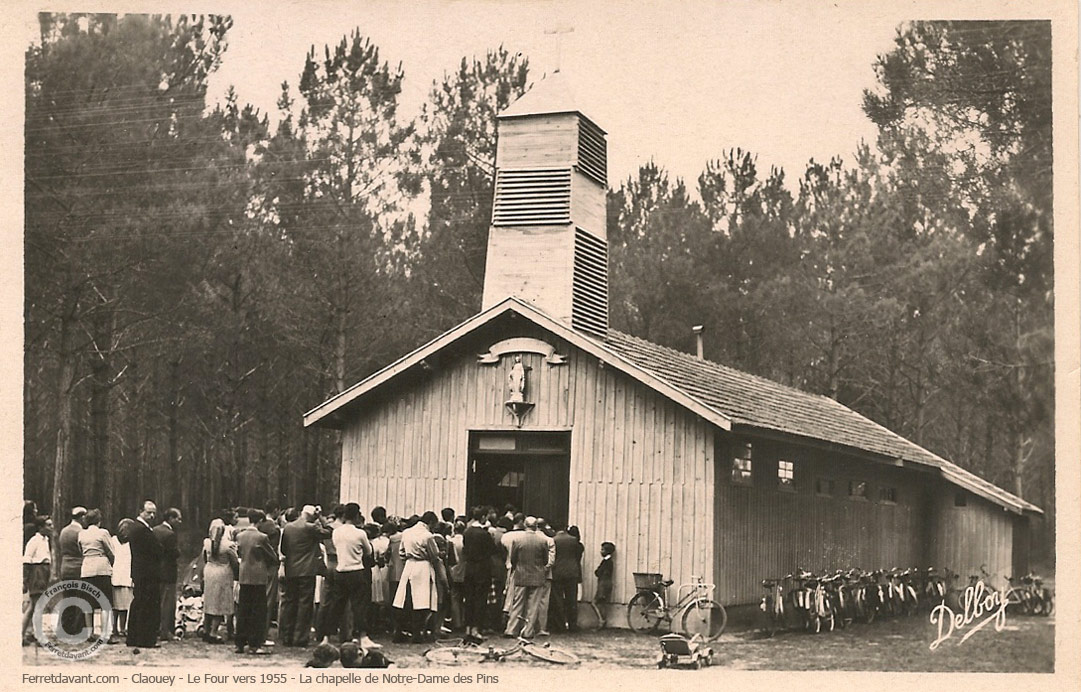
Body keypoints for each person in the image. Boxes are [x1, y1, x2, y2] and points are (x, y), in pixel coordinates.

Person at [317, 502, 378, 649]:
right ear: (357, 515)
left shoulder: (336, 532)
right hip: (356, 571)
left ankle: (326, 637)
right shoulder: (360, 533)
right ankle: (363, 637)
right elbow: (368, 551)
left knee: (335, 606)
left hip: (340, 570)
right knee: (359, 606)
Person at [279, 504, 332, 647]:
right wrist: (321, 517)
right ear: (312, 516)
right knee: (305, 604)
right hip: (307, 570)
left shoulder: (289, 527)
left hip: (291, 570)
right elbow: (329, 532)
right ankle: (300, 637)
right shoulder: (311, 528)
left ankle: (287, 636)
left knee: (290, 602)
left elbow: (284, 549)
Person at [391, 513, 441, 643]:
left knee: (405, 601)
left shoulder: (407, 532)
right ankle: (417, 633)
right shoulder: (428, 536)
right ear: (430, 522)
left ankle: (399, 631)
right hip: (423, 566)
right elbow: (434, 554)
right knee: (421, 602)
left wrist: (408, 559)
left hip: (409, 565)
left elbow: (401, 552)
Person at [235, 508, 277, 655]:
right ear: (260, 521)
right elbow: (272, 556)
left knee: (243, 609)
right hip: (258, 576)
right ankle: (255, 644)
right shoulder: (262, 537)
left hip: (244, 574)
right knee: (258, 611)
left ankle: (240, 642)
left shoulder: (240, 536)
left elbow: (239, 553)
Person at [505, 517, 552, 640]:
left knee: (517, 603)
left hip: (521, 575)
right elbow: (546, 560)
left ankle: (511, 629)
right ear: (536, 527)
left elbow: (513, 559)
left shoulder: (517, 540)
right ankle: (528, 631)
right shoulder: (542, 541)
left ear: (525, 525)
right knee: (533, 605)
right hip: (537, 576)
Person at [127, 500, 163, 647]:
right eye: (149, 512)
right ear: (140, 511)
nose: (152, 515)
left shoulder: (138, 528)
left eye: (154, 512)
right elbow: (156, 550)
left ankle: (134, 637)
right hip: (147, 573)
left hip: (141, 572)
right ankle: (145, 639)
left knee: (139, 603)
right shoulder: (142, 529)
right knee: (147, 606)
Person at [78, 508, 115, 640]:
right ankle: (105, 634)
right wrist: (111, 562)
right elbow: (111, 551)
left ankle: (89, 632)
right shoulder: (103, 533)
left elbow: (80, 550)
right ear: (99, 521)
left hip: (87, 567)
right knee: (105, 602)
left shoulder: (81, 534)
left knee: (88, 601)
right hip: (101, 567)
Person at [461, 507, 495, 643]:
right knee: (480, 599)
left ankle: (468, 628)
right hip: (482, 568)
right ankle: (476, 629)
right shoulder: (484, 534)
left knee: (469, 598)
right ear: (483, 518)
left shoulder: (467, 532)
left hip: (469, 568)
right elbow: (492, 550)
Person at [202, 519, 238, 643]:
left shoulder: (206, 543)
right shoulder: (228, 546)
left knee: (209, 602)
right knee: (220, 603)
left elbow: (204, 559)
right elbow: (234, 562)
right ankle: (213, 632)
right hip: (223, 574)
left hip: (209, 572)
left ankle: (206, 630)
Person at [153, 507, 182, 640]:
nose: (179, 521)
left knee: (158, 601)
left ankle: (157, 628)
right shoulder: (170, 534)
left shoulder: (155, 530)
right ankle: (166, 631)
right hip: (168, 572)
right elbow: (174, 553)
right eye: (178, 518)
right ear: (170, 518)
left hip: (156, 570)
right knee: (168, 603)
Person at [22, 515, 53, 645]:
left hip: (44, 572)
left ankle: (26, 634)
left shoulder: (46, 540)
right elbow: (27, 559)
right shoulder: (34, 540)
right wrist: (25, 579)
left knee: (33, 606)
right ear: (40, 527)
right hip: (37, 572)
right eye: (48, 525)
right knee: (37, 606)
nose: (51, 527)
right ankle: (37, 636)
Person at [58, 506, 88, 636]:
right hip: (78, 567)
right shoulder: (81, 532)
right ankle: (77, 628)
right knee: (80, 597)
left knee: (68, 597)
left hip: (65, 567)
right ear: (82, 517)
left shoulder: (64, 531)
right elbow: (82, 551)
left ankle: (65, 627)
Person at [257, 501, 282, 642]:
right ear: (276, 510)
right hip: (270, 566)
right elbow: (273, 549)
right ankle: (263, 633)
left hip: (256, 564)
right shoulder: (274, 528)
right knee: (268, 599)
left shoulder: (259, 525)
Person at [551, 525, 583, 632]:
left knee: (558, 599)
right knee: (572, 599)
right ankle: (572, 625)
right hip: (572, 573)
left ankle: (560, 626)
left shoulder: (553, 540)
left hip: (557, 573)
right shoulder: (574, 541)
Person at [111, 518, 135, 642]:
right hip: (115, 576)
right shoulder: (113, 540)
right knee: (115, 606)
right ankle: (114, 628)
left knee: (125, 606)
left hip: (127, 576)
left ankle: (122, 627)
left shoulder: (132, 543)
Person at [591, 542, 616, 628]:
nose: (601, 551)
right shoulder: (609, 561)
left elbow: (599, 572)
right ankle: (602, 621)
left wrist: (598, 572)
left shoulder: (606, 562)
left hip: (603, 583)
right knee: (602, 603)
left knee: (595, 603)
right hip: (607, 583)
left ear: (607, 551)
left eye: (602, 550)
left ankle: (601, 620)